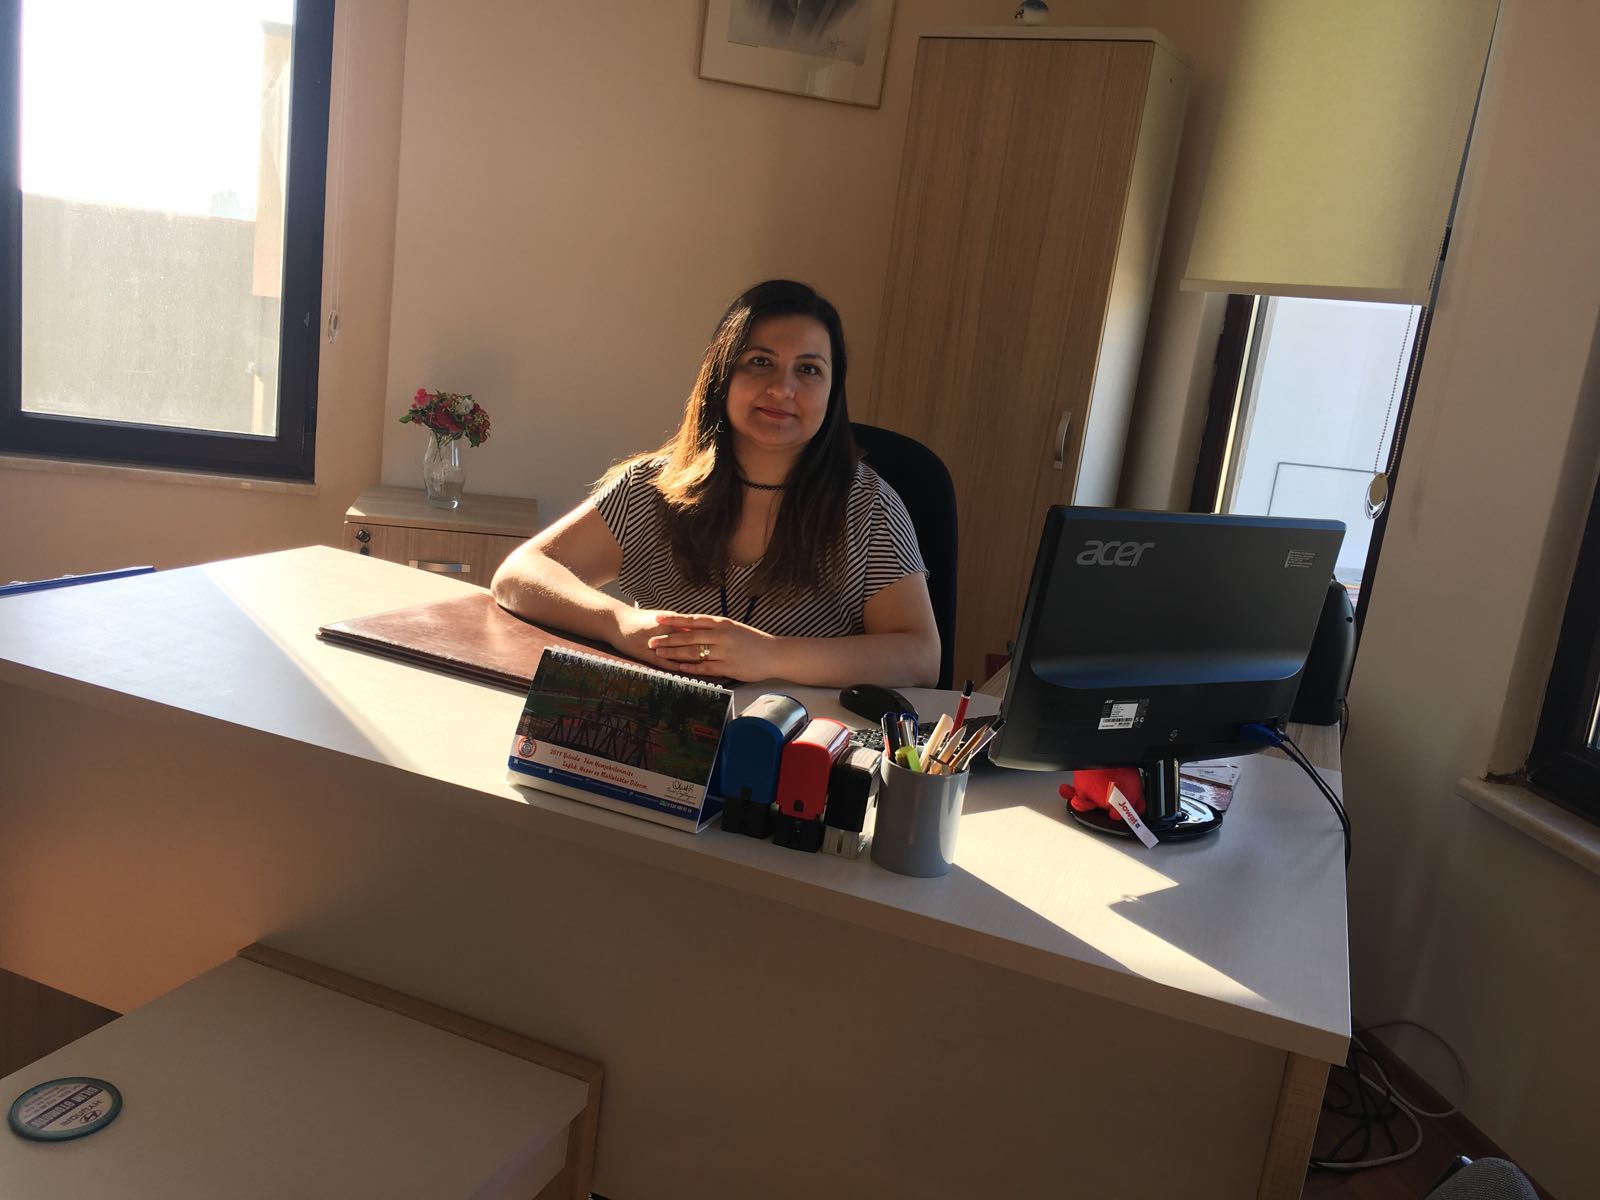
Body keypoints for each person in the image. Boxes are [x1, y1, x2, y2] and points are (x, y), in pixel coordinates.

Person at [490, 279, 939, 687]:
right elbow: (517, 575)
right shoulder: (651, 486)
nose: (782, 388)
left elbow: (920, 656)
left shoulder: (869, 506)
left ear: (832, 392)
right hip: (667, 729)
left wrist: (772, 655)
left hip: (799, 736)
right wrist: (618, 622)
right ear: (722, 375)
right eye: (760, 362)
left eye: (808, 370)